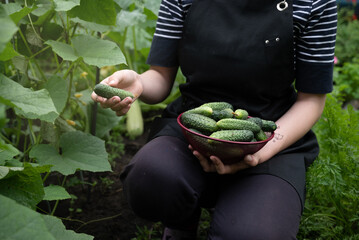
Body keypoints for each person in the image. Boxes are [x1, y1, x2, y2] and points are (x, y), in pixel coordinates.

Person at [92, 0, 337, 239]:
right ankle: (182, 219)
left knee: (255, 234)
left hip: (268, 135)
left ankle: (240, 208)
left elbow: (311, 101)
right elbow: (161, 76)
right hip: (193, 127)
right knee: (150, 179)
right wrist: (139, 83)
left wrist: (258, 152)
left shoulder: (314, 3)